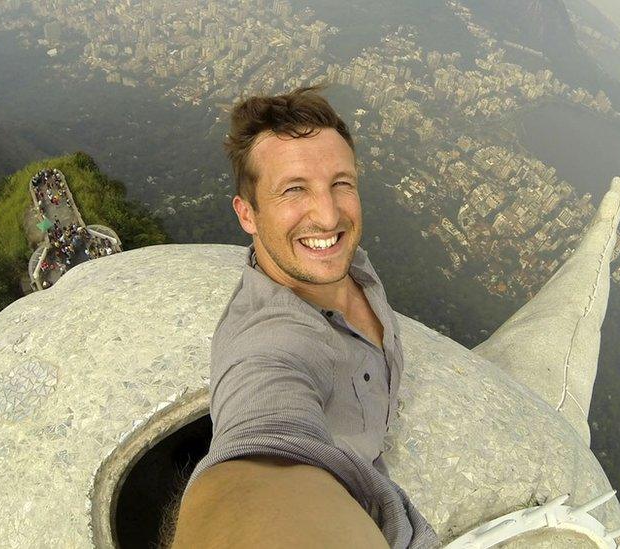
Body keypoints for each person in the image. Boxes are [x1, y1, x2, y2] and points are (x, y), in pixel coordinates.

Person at [171, 85, 439, 549]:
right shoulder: (267, 346)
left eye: (341, 183)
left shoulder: (352, 267)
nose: (328, 213)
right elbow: (255, 469)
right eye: (294, 189)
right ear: (247, 214)